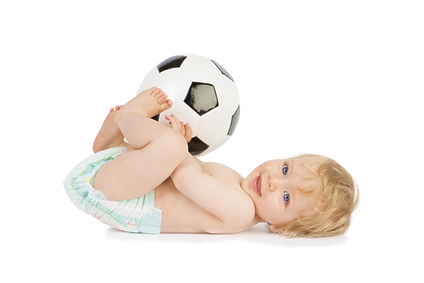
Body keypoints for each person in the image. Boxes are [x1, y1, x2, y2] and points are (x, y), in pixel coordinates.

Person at [64, 87, 358, 237]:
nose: (272, 181)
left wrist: (178, 143)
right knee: (168, 150)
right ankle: (109, 146)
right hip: (125, 178)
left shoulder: (241, 212)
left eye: (285, 196)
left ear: (284, 227)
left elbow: (185, 179)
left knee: (170, 146)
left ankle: (128, 117)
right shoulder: (237, 180)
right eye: (284, 169)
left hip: (127, 200)